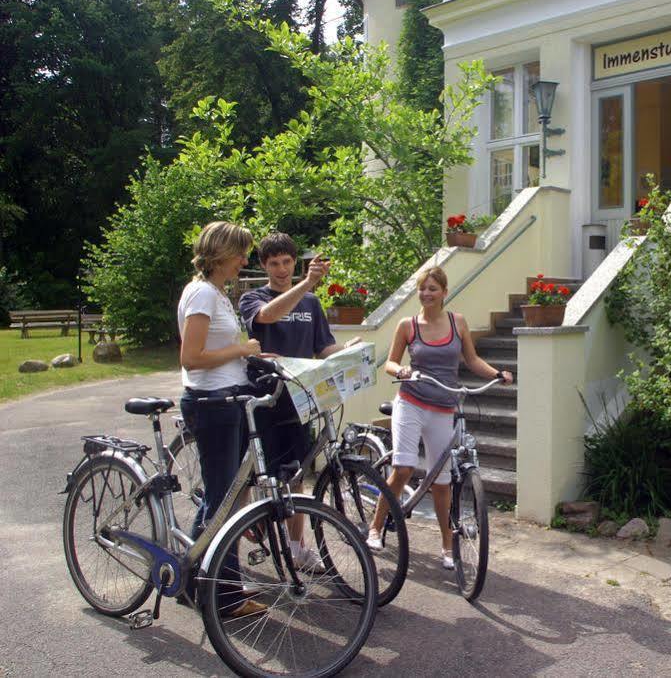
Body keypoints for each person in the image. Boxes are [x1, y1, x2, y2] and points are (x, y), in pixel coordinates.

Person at [366, 266, 512, 570]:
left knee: (442, 481)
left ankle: (447, 545)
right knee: (403, 468)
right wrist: (402, 370)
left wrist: (497, 374)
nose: (426, 294)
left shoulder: (457, 323)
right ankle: (376, 528)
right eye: (422, 288)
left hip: (444, 407)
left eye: (433, 288)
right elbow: (390, 363)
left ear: (444, 292)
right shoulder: (408, 325)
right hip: (412, 401)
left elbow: (471, 360)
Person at [238, 232, 357, 569]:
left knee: (296, 476)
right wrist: (306, 283)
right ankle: (237, 546)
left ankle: (297, 547)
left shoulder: (312, 304)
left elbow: (324, 348)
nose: (281, 269)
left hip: (300, 399)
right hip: (263, 398)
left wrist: (348, 353)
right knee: (251, 476)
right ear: (263, 265)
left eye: (287, 262)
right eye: (273, 263)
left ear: (294, 261)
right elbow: (268, 316)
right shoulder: (253, 298)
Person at [177, 220, 264, 618]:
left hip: (227, 400)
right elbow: (191, 358)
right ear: (219, 254)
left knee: (220, 497)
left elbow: (221, 349)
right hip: (211, 404)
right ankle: (225, 597)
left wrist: (251, 355)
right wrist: (241, 349)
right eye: (240, 253)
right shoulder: (202, 294)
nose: (245, 260)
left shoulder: (217, 294)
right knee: (224, 503)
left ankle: (192, 581)